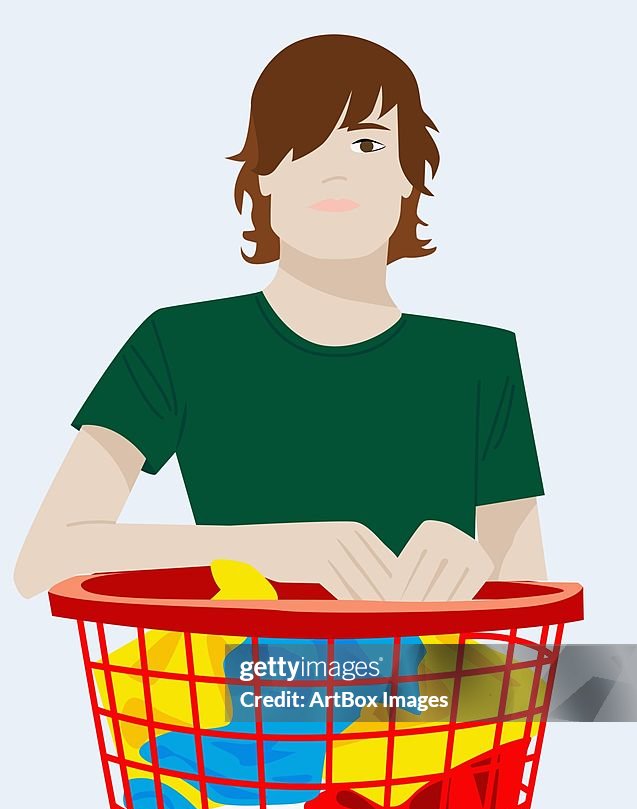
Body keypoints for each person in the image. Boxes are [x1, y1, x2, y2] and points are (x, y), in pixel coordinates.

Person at [14, 33, 547, 602]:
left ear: (408, 177)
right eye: (305, 145)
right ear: (264, 175)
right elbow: (46, 558)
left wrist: (478, 560)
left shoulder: (480, 361)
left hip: (425, 688)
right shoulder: (179, 345)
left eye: (367, 145)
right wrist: (264, 548)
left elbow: (532, 599)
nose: (334, 172)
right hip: (241, 682)